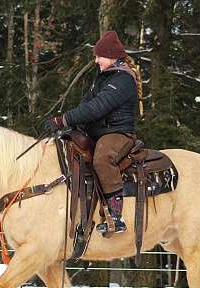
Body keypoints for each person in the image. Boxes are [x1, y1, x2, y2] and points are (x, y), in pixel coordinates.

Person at [47, 31, 143, 235]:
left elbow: (97, 107)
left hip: (117, 133)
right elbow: (87, 105)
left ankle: (116, 217)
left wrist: (65, 119)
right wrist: (70, 124)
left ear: (111, 55)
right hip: (100, 132)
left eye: (99, 55)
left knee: (102, 159)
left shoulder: (123, 79)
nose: (96, 60)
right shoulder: (103, 77)